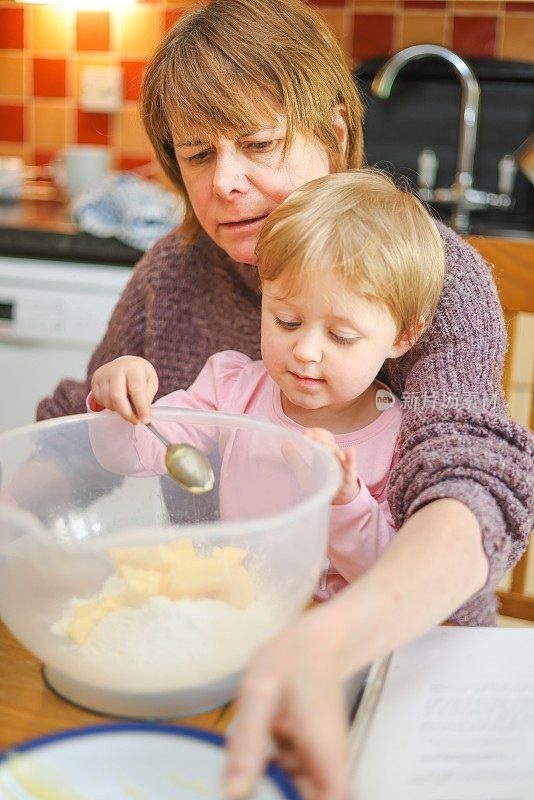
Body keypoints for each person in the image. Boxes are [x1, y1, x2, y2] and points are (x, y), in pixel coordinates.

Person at [34, 1, 533, 797]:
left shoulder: (436, 277)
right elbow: (73, 451)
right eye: (198, 155)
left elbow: (469, 492)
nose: (227, 181)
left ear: (334, 132)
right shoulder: (172, 274)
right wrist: (92, 415)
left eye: (259, 144)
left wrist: (326, 643)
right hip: (226, 658)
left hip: (401, 666)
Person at [87, 169, 446, 600]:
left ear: (403, 336)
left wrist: (344, 500)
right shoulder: (232, 388)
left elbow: (391, 575)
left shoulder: (401, 437)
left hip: (336, 636)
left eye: (341, 336)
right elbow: (130, 456)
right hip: (240, 618)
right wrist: (117, 403)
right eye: (287, 321)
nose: (306, 351)